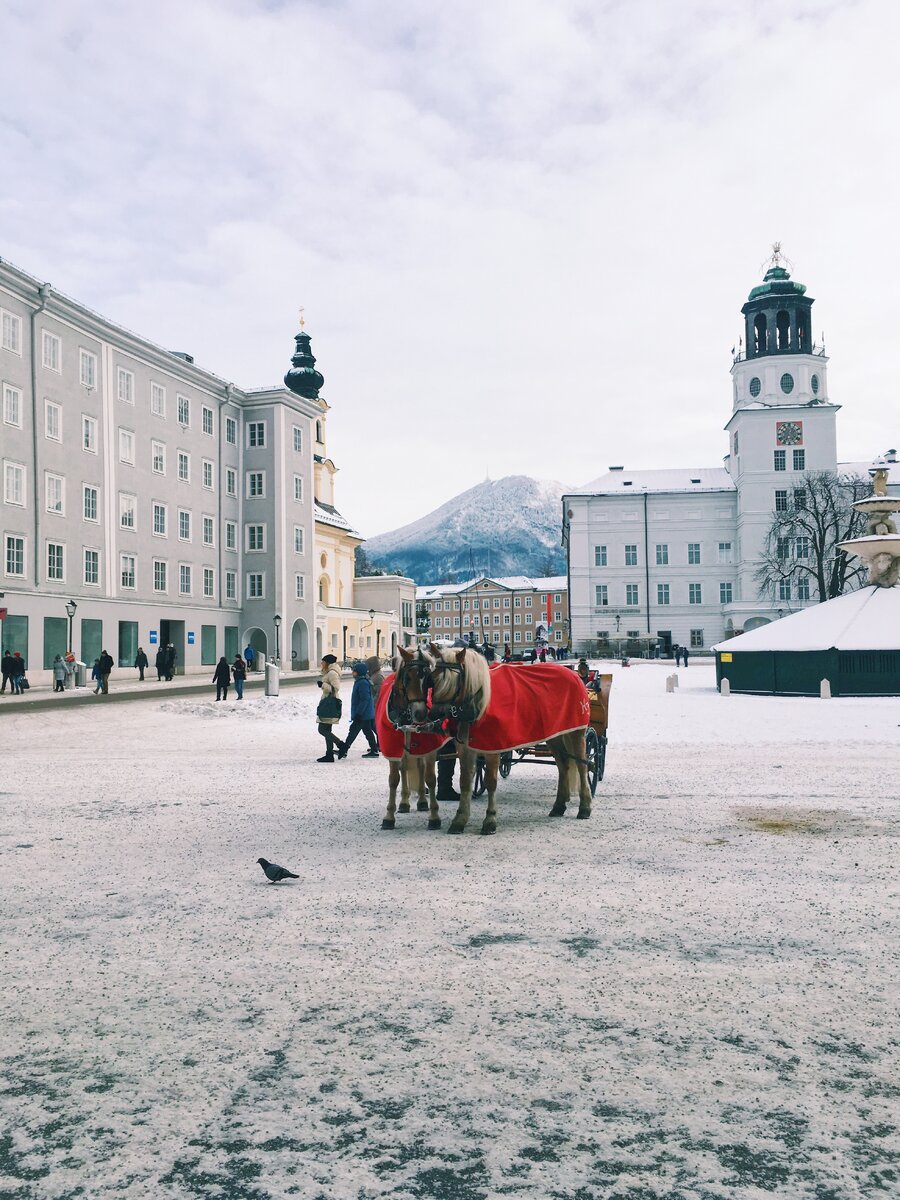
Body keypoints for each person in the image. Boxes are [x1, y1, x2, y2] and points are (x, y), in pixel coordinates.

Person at [342, 661, 380, 756]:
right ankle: (374, 750)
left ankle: (344, 750)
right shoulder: (360, 681)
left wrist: (359, 713)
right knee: (367, 731)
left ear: (359, 672)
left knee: (353, 731)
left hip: (363, 714)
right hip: (365, 713)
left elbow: (365, 699)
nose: (352, 673)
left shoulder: (362, 683)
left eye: (354, 671)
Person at [316, 654, 347, 763]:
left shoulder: (332, 673)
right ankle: (329, 755)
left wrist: (323, 685)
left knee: (322, 730)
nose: (321, 663)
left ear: (327, 663)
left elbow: (336, 688)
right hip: (327, 703)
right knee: (327, 730)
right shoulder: (328, 672)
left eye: (323, 661)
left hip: (330, 704)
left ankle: (341, 745)